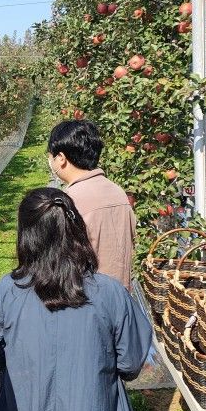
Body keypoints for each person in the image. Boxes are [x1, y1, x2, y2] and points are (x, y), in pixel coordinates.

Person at [0, 188, 152, 411]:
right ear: (76, 230)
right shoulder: (110, 293)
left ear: (26, 235)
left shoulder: (7, 291)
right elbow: (131, 363)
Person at [47, 119, 136, 290]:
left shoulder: (68, 201)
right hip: (120, 299)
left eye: (50, 156)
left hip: (86, 303)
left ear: (61, 158)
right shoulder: (118, 192)